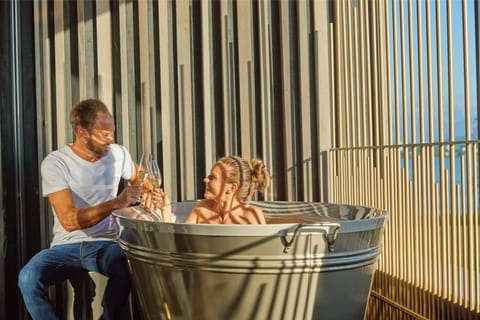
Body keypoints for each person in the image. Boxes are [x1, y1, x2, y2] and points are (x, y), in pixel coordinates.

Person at [18, 98, 143, 320]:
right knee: (27, 277)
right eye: (104, 134)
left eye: (112, 132)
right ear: (82, 133)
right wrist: (117, 202)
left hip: (106, 244)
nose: (111, 139)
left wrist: (149, 193)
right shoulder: (56, 162)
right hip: (65, 246)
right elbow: (69, 220)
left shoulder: (117, 154)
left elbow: (141, 179)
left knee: (123, 266)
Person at [150, 156, 270, 224]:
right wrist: (165, 210)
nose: (205, 180)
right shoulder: (201, 211)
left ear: (231, 188)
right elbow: (175, 247)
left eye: (212, 177)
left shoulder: (251, 216)